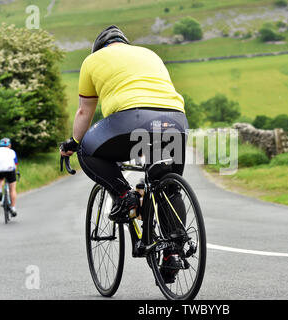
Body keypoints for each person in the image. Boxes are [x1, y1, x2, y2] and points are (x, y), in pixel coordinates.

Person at [59, 25, 188, 283]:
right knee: (167, 187)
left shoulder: (92, 61)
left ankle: (123, 195)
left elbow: (85, 111)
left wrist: (72, 142)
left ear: (100, 47)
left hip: (131, 119)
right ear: (125, 44)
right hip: (175, 120)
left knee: (87, 151)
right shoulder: (150, 54)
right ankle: (173, 253)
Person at [0, 138, 19, 217]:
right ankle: (13, 208)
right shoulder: (12, 152)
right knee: (12, 189)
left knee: (0, 178)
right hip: (10, 169)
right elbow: (15, 164)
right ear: (9, 145)